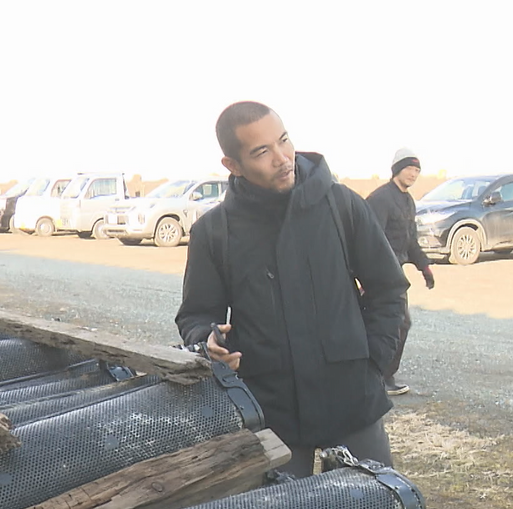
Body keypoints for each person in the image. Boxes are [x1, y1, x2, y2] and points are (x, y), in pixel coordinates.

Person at [175, 101, 409, 478]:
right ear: (232, 165)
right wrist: (208, 340)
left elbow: (389, 289)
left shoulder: (342, 205)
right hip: (271, 411)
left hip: (353, 402)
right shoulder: (214, 232)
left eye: (284, 140)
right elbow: (196, 314)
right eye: (261, 152)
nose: (282, 158)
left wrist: (373, 364)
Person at [365, 148, 435, 396]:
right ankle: (381, 377)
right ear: (397, 169)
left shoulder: (408, 201)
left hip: (396, 274)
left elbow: (410, 240)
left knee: (396, 324)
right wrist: (365, 276)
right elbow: (369, 239)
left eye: (417, 170)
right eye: (409, 168)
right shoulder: (381, 199)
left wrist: (424, 266)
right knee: (396, 323)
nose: (414, 174)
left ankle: (381, 376)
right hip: (378, 275)